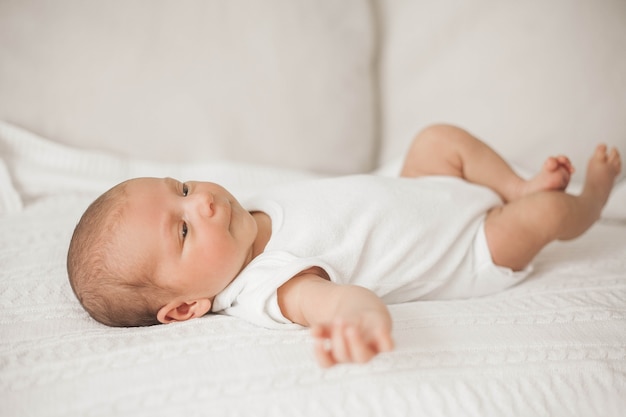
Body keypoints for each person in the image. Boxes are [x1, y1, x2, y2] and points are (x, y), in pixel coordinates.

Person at [67, 124, 622, 368]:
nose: (203, 203)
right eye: (183, 230)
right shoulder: (267, 285)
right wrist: (357, 322)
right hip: (470, 246)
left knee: (436, 139)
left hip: (421, 187)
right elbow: (333, 303)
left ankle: (514, 184)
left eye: (183, 189)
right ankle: (588, 201)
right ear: (186, 307)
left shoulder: (240, 216)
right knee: (546, 214)